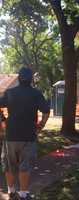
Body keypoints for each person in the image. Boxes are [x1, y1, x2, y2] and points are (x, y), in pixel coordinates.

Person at [0, 67, 50, 200]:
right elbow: (46, 110)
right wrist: (41, 125)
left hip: (10, 135)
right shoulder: (36, 94)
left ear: (18, 78)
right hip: (29, 135)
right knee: (25, 165)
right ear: (31, 79)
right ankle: (23, 194)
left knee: (9, 164)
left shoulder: (10, 92)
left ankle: (11, 191)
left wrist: (3, 121)